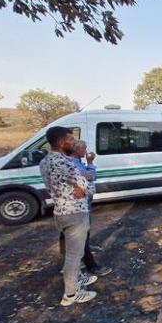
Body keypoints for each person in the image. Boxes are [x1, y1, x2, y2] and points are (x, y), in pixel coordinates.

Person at [40, 126, 98, 306]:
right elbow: (90, 187)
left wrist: (80, 186)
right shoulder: (64, 163)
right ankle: (71, 295)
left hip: (60, 211)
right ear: (61, 142)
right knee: (75, 255)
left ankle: (78, 279)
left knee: (72, 252)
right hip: (75, 213)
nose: (74, 143)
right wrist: (84, 187)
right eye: (71, 140)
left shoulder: (45, 161)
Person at [64, 140, 111, 277]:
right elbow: (90, 177)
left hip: (83, 203)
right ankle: (89, 264)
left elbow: (90, 177)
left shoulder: (78, 161)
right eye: (84, 149)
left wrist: (88, 168)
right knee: (81, 233)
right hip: (78, 204)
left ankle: (82, 257)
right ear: (76, 150)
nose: (86, 151)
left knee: (82, 233)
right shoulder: (72, 163)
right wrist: (89, 165)